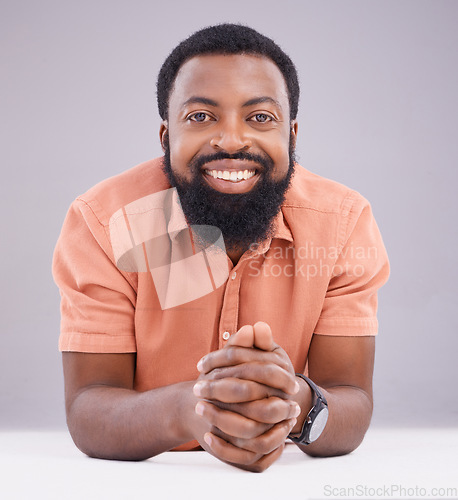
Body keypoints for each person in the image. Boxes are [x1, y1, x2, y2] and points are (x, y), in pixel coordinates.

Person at [52, 23, 389, 473]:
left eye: (260, 117)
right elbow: (88, 409)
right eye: (200, 117)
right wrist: (194, 409)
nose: (231, 141)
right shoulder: (102, 221)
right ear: (165, 136)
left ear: (292, 134)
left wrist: (295, 402)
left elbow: (352, 400)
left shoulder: (344, 224)